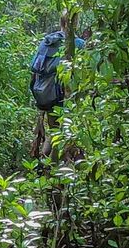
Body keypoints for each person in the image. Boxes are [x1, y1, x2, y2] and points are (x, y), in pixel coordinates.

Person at [29, 12, 87, 160]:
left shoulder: (46, 42)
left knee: (55, 132)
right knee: (68, 136)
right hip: (68, 100)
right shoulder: (79, 44)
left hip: (48, 96)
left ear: (61, 22)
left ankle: (47, 164)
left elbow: (33, 68)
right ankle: (57, 169)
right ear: (75, 24)